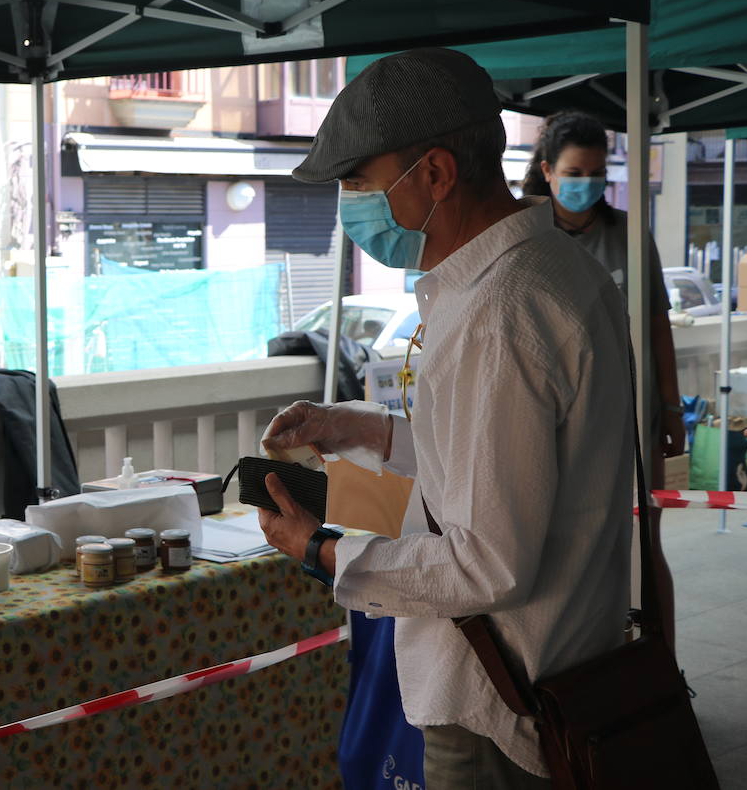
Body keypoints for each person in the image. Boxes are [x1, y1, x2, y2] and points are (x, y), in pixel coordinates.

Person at [258, 48, 634, 788]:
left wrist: (321, 550)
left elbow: (485, 564)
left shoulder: (498, 312)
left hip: (501, 706)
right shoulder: (559, 268)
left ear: (434, 173)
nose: (350, 207)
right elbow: (499, 457)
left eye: (358, 182)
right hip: (568, 671)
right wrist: (357, 428)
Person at [522, 111, 687, 479]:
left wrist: (672, 408)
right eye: (574, 173)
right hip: (555, 416)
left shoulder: (630, 234)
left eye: (596, 173)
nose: (587, 182)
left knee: (643, 513)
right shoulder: (526, 238)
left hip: (634, 409)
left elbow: (658, 325)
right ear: (547, 170)